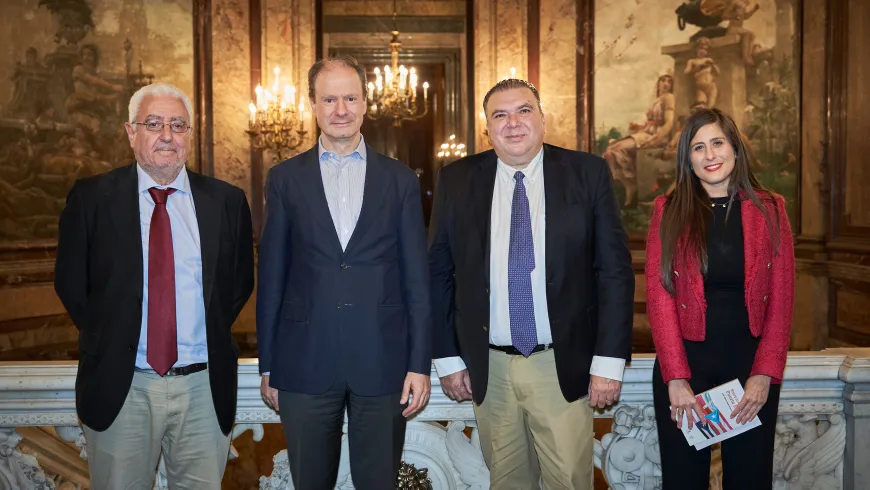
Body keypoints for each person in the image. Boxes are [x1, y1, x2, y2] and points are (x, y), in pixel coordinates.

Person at [429, 78, 635, 488]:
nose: (513, 123)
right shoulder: (457, 179)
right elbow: (436, 273)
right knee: (505, 482)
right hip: (489, 368)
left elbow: (614, 272)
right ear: (487, 128)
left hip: (560, 363)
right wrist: (448, 359)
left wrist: (609, 363)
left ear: (543, 119)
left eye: (524, 111)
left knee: (569, 481)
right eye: (500, 115)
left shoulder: (587, 173)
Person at [54, 82, 255, 488]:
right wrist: (112, 338)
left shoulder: (227, 202)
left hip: (203, 387)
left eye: (178, 124)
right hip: (122, 387)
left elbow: (237, 286)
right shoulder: (93, 199)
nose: (167, 134)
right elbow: (71, 284)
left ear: (190, 137)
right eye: (153, 123)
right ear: (131, 133)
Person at [256, 55, 431, 490]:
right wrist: (269, 363)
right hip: (303, 362)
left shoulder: (401, 180)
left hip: (384, 362)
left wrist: (419, 362)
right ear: (312, 105)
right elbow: (272, 275)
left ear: (365, 103)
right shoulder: (284, 179)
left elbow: (416, 279)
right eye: (329, 99)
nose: (340, 109)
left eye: (350, 98)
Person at [645, 107, 794, 489]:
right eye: (698, 147)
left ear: (735, 149)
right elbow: (660, 296)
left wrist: (764, 374)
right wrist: (675, 378)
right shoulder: (669, 209)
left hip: (750, 370)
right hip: (686, 370)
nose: (710, 155)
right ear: (688, 159)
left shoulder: (770, 208)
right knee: (683, 482)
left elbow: (782, 298)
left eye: (717, 143)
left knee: (749, 479)